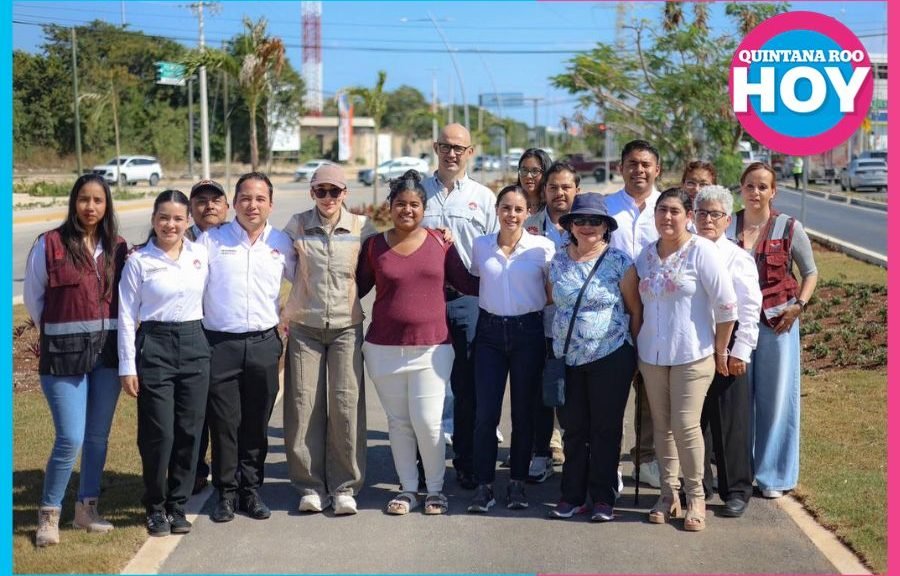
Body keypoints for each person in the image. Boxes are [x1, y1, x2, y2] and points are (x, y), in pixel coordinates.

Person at [357, 171, 478, 515]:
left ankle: (436, 490)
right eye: (400, 204)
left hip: (433, 347)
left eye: (414, 204)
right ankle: (408, 489)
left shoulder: (441, 243)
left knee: (428, 421)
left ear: (424, 208)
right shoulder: (374, 246)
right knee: (398, 423)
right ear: (390, 207)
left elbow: (468, 283)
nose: (407, 210)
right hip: (383, 349)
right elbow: (356, 289)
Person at [24, 174, 128, 547]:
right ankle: (49, 514)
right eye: (84, 199)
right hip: (63, 357)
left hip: (107, 355)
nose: (90, 207)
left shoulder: (117, 247)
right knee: (70, 436)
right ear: (74, 202)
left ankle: (87, 510)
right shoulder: (49, 244)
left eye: (98, 200)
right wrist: (59, 332)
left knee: (97, 438)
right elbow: (35, 299)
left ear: (106, 205)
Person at [633, 187, 737, 532]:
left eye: (675, 211)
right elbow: (635, 300)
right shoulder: (645, 256)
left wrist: (722, 350)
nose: (667, 217)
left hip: (693, 354)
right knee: (661, 428)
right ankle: (668, 494)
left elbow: (726, 305)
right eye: (662, 210)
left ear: (688, 217)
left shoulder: (702, 252)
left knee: (685, 425)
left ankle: (695, 497)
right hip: (652, 354)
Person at [196, 172, 296, 523]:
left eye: (260, 199)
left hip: (264, 344)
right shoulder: (211, 241)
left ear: (270, 204)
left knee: (256, 423)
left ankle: (250, 491)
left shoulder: (282, 243)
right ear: (234, 202)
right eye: (245, 198)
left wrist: (290, 316)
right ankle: (224, 494)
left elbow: (305, 282)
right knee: (224, 424)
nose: (252, 205)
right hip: (219, 344)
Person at [282, 164, 375, 515]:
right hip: (305, 327)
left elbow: (385, 256)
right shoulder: (296, 225)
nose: (328, 198)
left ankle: (345, 486)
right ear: (312, 193)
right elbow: (272, 257)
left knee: (345, 405)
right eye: (321, 191)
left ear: (345, 193)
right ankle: (309, 485)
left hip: (346, 327)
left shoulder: (362, 227)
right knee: (304, 404)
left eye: (334, 191)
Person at [118, 190, 211, 536]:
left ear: (188, 221)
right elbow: (127, 316)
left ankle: (178, 505)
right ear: (154, 220)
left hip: (194, 343)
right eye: (163, 218)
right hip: (154, 345)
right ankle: (155, 507)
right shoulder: (139, 260)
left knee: (190, 430)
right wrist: (128, 366)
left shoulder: (201, 254)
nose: (170, 224)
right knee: (160, 432)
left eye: (177, 218)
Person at [547, 193, 641, 523]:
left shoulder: (620, 262)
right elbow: (553, 301)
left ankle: (602, 497)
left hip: (611, 356)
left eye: (595, 221)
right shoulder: (557, 261)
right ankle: (571, 495)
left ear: (606, 227)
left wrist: (633, 355)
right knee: (574, 429)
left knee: (605, 428)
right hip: (567, 358)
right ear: (570, 225)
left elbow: (634, 309)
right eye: (581, 220)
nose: (587, 226)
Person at [467, 185, 555, 513]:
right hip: (489, 333)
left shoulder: (542, 249)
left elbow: (551, 292)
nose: (512, 215)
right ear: (497, 210)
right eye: (506, 208)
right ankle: (484, 485)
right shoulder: (481, 246)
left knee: (523, 413)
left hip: (527, 332)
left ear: (527, 212)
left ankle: (517, 482)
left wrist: (524, 304)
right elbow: (477, 278)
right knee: (485, 414)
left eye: (518, 209)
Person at [421, 123, 499, 490]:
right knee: (426, 386)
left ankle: (465, 461)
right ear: (436, 148)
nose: (452, 153)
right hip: (426, 300)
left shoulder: (483, 198)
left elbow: (497, 251)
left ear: (470, 153)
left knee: (467, 387)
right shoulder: (418, 192)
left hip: (469, 300)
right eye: (445, 146)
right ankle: (426, 464)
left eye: (459, 148)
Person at [733, 162, 818, 499]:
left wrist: (799, 305)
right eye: (750, 186)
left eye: (763, 187)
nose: (756, 193)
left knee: (777, 400)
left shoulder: (788, 227)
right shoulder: (728, 225)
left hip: (778, 324)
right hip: (737, 326)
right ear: (740, 188)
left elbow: (810, 271)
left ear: (773, 191)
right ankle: (741, 472)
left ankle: (774, 476)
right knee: (738, 401)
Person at [693, 185, 762, 518]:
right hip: (691, 350)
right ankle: (699, 486)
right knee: (697, 423)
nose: (708, 219)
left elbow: (749, 308)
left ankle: (736, 489)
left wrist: (741, 351)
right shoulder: (685, 250)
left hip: (729, 350)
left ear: (726, 220)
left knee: (731, 423)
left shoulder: (738, 257)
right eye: (702, 213)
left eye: (716, 214)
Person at [604, 139, 663, 489]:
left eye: (645, 164)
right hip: (612, 315)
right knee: (612, 393)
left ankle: (646, 459)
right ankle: (609, 462)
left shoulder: (668, 207)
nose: (638, 170)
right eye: (632, 163)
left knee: (652, 393)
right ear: (620, 167)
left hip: (658, 313)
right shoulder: (607, 207)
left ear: (657, 169)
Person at [522, 161, 578, 482]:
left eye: (566, 187)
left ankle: (576, 456)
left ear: (576, 190)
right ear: (544, 190)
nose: (559, 193)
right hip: (537, 327)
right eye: (553, 187)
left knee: (574, 398)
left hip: (577, 331)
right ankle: (540, 453)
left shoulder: (587, 226)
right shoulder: (527, 225)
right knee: (540, 395)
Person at [185, 178, 230, 495]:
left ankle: (231, 471)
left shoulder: (234, 237)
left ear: (227, 206)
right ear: (191, 208)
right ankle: (195, 470)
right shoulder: (177, 239)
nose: (209, 206)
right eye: (201, 200)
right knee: (193, 410)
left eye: (216, 200)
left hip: (225, 335)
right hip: (189, 336)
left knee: (226, 411)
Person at [517, 148, 552, 214]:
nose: (528, 176)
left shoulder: (553, 207)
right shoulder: (511, 204)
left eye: (535, 171)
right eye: (524, 170)